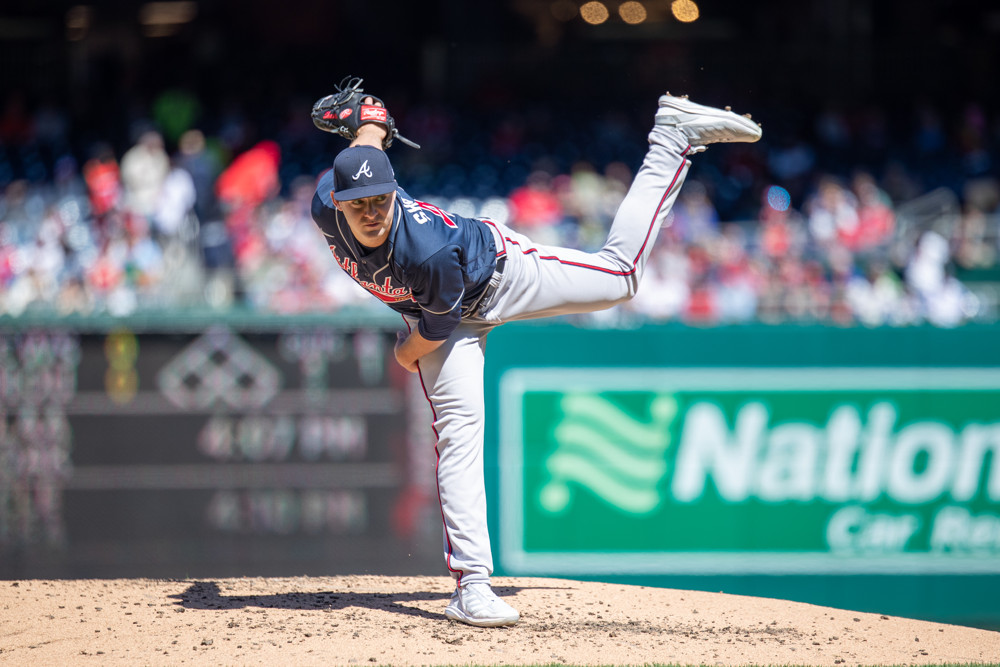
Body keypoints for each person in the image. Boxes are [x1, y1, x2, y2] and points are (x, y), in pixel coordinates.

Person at [310, 90, 761, 627]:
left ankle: (673, 136)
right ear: (336, 201)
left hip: (495, 279)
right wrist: (369, 122)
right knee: (458, 432)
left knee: (621, 277)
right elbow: (365, 148)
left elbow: (430, 334)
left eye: (380, 199)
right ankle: (472, 586)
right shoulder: (324, 201)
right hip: (432, 309)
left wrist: (405, 356)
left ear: (392, 193)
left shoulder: (424, 249)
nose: (371, 212)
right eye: (358, 202)